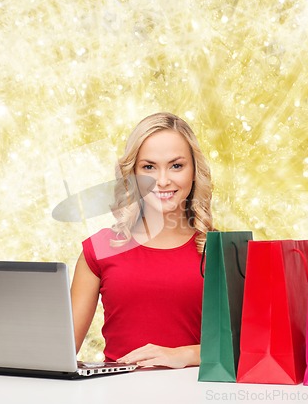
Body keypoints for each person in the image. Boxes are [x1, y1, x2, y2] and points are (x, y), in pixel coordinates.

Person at [70, 112, 214, 369]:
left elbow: (247, 347)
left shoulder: (220, 251)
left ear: (194, 172)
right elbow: (62, 352)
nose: (162, 181)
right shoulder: (100, 249)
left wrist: (186, 355)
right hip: (117, 393)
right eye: (148, 167)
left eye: (176, 166)